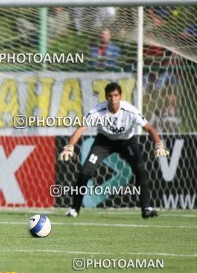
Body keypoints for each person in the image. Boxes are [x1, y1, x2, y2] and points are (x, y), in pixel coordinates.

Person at [58, 82, 170, 219]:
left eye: (116, 95)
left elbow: (150, 129)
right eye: (110, 96)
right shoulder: (97, 111)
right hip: (104, 142)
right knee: (85, 172)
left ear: (120, 96)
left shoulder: (130, 111)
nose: (113, 99)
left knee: (140, 169)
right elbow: (81, 128)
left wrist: (159, 145)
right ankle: (74, 209)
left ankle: (146, 208)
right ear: (106, 97)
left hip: (127, 141)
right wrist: (70, 146)